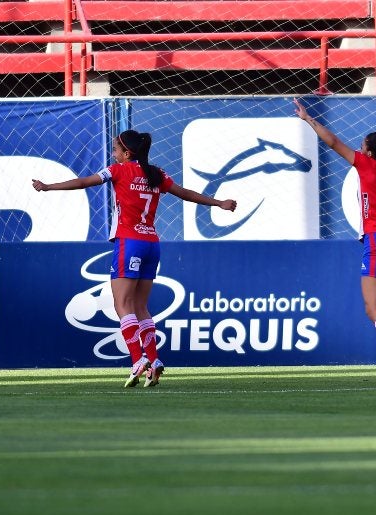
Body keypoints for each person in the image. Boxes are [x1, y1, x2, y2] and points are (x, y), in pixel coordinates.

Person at [32, 130, 237, 388]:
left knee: (122, 305)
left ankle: (137, 360)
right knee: (141, 307)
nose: (113, 153)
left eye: (116, 149)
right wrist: (218, 203)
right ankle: (154, 359)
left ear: (127, 153)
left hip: (128, 242)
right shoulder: (157, 175)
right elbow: (184, 193)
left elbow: (84, 182)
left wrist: (49, 186)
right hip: (152, 243)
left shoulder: (118, 170)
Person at [294, 98, 376, 384]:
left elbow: (332, 141)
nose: (359, 147)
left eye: (363, 144)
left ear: (369, 149)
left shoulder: (367, 166)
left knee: (373, 308)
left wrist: (308, 119)